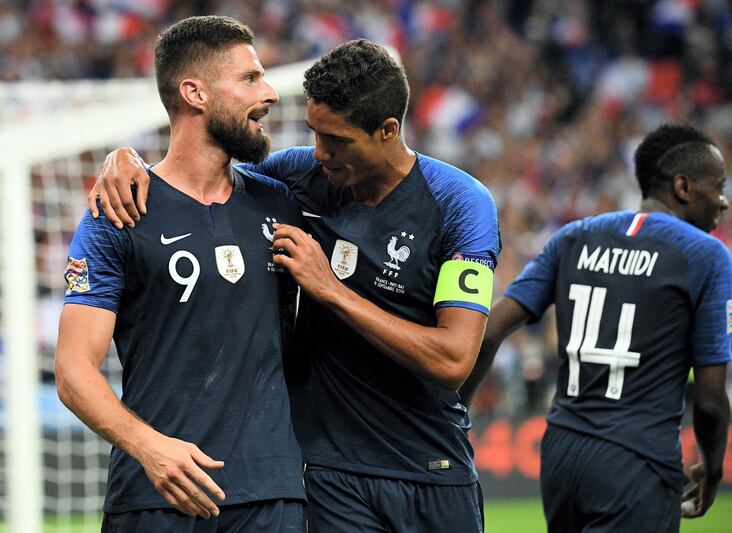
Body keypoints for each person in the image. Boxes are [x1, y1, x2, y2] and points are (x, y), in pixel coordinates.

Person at [88, 39, 501, 532]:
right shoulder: (300, 174)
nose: (320, 152)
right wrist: (127, 159)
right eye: (315, 133)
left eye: (338, 140)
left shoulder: (459, 204)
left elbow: (454, 359)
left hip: (431, 464)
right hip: (327, 473)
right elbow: (200, 172)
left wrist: (329, 289)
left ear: (388, 130)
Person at [56, 16, 305, 532]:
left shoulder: (282, 199)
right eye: (250, 79)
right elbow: (74, 371)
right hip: (155, 496)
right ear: (193, 92)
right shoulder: (120, 214)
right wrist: (151, 449)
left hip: (270, 495)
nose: (271, 93)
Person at [460, 123, 732, 532]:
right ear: (683, 186)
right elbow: (710, 400)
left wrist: (453, 414)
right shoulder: (707, 255)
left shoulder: (572, 237)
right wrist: (713, 470)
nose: (724, 201)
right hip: (637, 459)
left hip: (561, 457)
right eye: (719, 185)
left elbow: (489, 333)